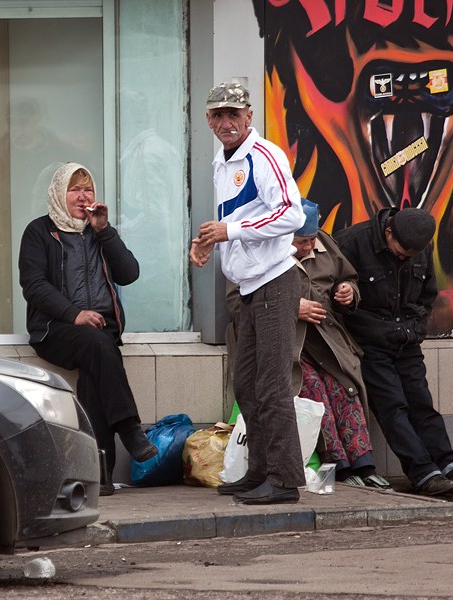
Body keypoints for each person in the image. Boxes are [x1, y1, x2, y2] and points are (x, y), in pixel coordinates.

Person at [190, 81, 306, 505]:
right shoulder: (222, 162)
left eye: (233, 115)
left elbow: (291, 214)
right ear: (208, 120)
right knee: (245, 383)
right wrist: (208, 240)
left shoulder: (264, 154)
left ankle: (285, 480)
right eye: (218, 115)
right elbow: (236, 218)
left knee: (273, 384)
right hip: (248, 285)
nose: (226, 122)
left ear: (249, 117)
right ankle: (259, 470)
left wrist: (230, 231)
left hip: (276, 279)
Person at [19, 162, 157, 497]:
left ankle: (100, 475)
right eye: (75, 189)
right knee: (97, 346)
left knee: (97, 371)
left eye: (88, 189)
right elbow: (33, 285)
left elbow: (129, 273)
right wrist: (74, 314)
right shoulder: (39, 232)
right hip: (55, 328)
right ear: (59, 193)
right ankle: (130, 431)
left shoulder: (99, 231)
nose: (83, 196)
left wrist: (104, 230)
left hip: (99, 333)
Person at [334, 207, 453, 496]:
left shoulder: (418, 246)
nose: (405, 257)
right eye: (401, 252)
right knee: (393, 408)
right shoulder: (351, 243)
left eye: (412, 255)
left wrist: (416, 328)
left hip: (407, 340)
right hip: (370, 343)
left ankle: (450, 466)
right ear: (388, 232)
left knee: (422, 405)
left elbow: (427, 295)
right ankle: (424, 473)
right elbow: (333, 297)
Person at [290, 199, 390, 489]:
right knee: (315, 393)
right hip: (291, 344)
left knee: (344, 389)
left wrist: (348, 292)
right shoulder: (265, 250)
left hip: (328, 339)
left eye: (311, 239)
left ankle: (364, 464)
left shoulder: (325, 243)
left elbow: (348, 278)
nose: (308, 246)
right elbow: (242, 303)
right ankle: (339, 468)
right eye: (301, 241)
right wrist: (292, 308)